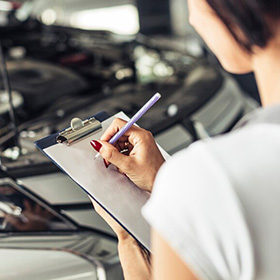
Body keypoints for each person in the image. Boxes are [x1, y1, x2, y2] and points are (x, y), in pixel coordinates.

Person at [90, 0, 280, 279]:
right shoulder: (208, 182)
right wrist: (168, 187)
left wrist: (129, 238)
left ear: (235, 13)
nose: (192, 19)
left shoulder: (211, 177)